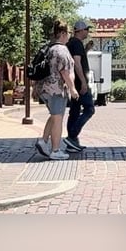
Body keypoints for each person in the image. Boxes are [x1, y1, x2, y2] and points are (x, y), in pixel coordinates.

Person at [34, 19, 79, 160]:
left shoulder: (50, 48)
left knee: (54, 116)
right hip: (57, 90)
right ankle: (55, 149)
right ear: (63, 33)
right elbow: (65, 72)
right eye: (69, 33)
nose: (69, 36)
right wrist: (73, 89)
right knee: (58, 119)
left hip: (45, 89)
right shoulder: (62, 50)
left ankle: (43, 140)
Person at [63, 19, 95, 152]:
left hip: (73, 83)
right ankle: (72, 136)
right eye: (87, 29)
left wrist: (86, 50)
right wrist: (83, 82)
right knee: (89, 109)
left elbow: (77, 60)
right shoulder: (76, 44)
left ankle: (72, 142)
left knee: (75, 111)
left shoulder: (72, 43)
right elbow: (77, 63)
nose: (88, 32)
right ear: (80, 30)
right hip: (78, 83)